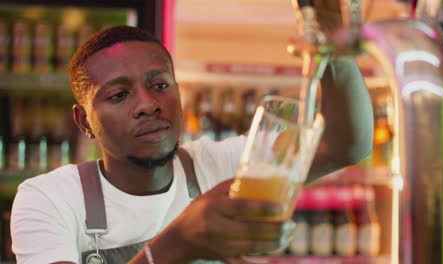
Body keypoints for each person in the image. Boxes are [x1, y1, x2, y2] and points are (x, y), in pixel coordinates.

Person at [10, 25, 373, 264]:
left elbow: (346, 144)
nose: (148, 103)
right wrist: (176, 244)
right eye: (120, 95)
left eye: (161, 85)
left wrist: (331, 42)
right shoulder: (50, 199)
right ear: (83, 121)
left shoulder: (221, 165)